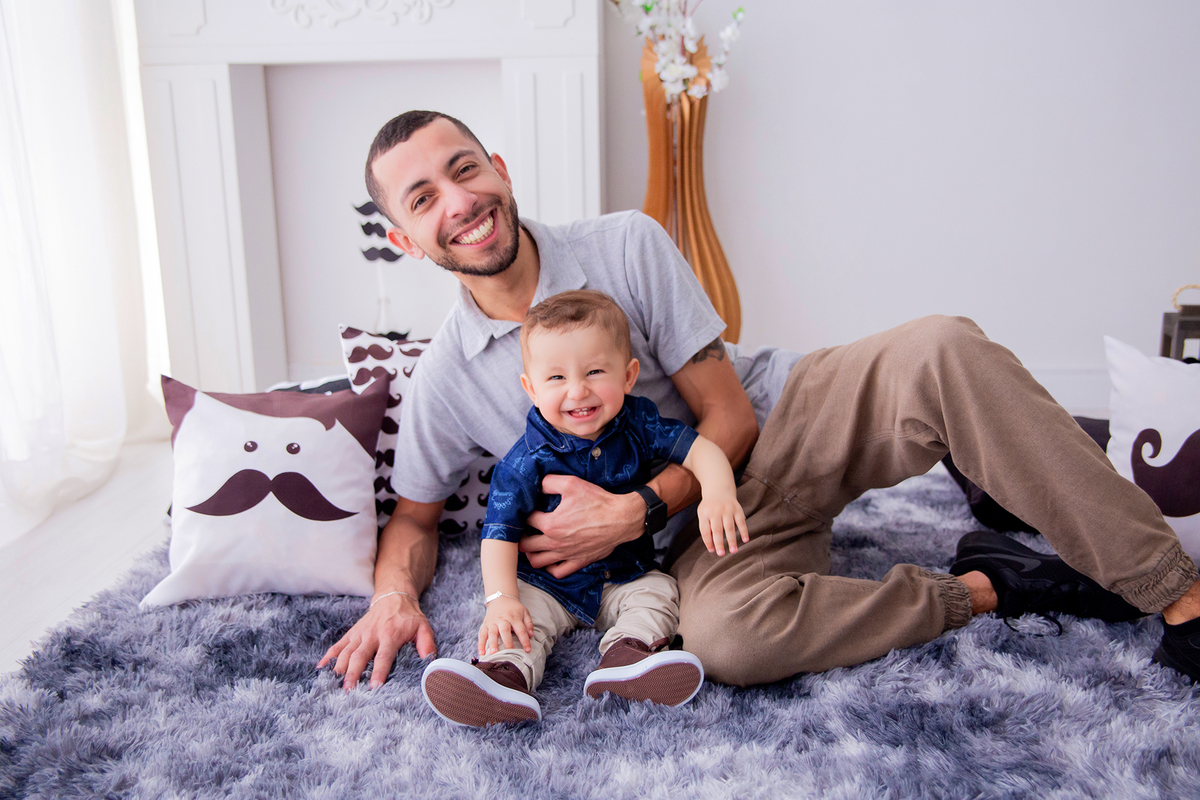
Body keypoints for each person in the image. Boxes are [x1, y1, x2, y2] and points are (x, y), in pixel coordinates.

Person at [317, 109, 1200, 692]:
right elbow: (416, 520)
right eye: (426, 198)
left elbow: (728, 414)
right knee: (731, 646)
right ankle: (993, 581)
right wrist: (394, 596)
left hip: (776, 426)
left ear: (500, 168)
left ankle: (1174, 589)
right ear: (403, 239)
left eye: (467, 169)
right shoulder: (445, 375)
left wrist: (630, 511)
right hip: (706, 541)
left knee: (943, 346)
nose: (462, 201)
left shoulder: (624, 243)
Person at [420, 289, 748, 726]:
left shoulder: (639, 422)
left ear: (629, 376)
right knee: (519, 620)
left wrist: (719, 492)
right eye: (556, 379)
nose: (578, 390)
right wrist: (500, 599)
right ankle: (503, 676)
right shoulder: (524, 461)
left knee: (659, 593)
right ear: (530, 388)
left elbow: (700, 451)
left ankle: (629, 656)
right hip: (548, 582)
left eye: (595, 371)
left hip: (624, 573)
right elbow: (498, 534)